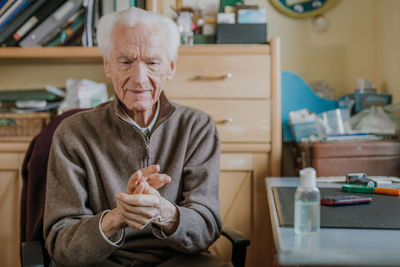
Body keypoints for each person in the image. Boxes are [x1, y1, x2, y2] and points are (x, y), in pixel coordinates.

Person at [43, 7, 226, 267]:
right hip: (101, 261)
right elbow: (61, 244)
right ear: (108, 65)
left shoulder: (197, 128)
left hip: (177, 260)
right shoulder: (73, 133)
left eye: (152, 62)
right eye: (126, 62)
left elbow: (206, 229)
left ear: (171, 67)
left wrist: (162, 211)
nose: (139, 79)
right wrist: (117, 217)